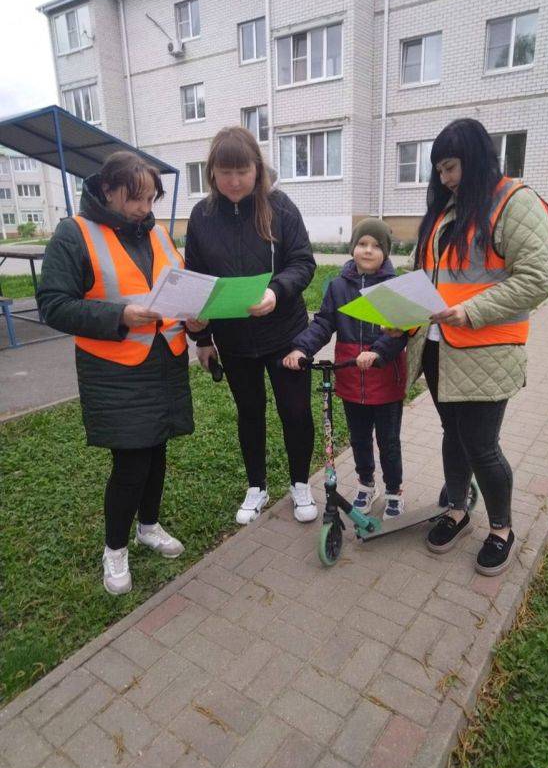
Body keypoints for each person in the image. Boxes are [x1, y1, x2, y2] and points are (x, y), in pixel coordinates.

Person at [398, 117, 548, 576]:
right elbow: (423, 271)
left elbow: (535, 278)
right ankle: (458, 509)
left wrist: (471, 311)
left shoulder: (513, 203)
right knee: (454, 435)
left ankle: (502, 528)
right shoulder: (447, 210)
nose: (444, 178)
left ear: (478, 158)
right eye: (440, 170)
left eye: (451, 167)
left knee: (482, 445)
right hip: (438, 348)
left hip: (485, 351)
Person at [38, 151, 194, 595]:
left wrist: (196, 318)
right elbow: (54, 303)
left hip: (164, 360)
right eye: (136, 198)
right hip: (115, 368)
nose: (145, 208)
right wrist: (122, 315)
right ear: (107, 190)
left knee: (157, 450)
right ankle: (115, 549)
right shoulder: (74, 234)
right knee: (131, 462)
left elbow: (179, 285)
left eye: (151, 199)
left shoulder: (158, 233)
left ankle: (148, 526)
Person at [185, 127, 317, 525]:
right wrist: (201, 338)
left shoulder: (280, 207)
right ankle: (256, 487)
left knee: (295, 411)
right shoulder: (202, 216)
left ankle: (299, 483)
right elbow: (196, 278)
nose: (235, 181)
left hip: (285, 333)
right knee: (250, 412)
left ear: (257, 170)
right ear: (212, 173)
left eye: (242, 171)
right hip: (234, 339)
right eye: (225, 172)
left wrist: (276, 292)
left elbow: (304, 262)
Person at [284, 219, 408, 518]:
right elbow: (325, 322)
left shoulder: (394, 287)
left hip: (385, 378)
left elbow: (400, 332)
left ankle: (394, 490)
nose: (368, 251)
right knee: (359, 438)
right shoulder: (338, 286)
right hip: (351, 377)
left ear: (386, 252)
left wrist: (377, 351)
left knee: (388, 441)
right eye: (362, 244)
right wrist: (302, 348)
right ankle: (366, 484)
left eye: (376, 246)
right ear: (353, 248)